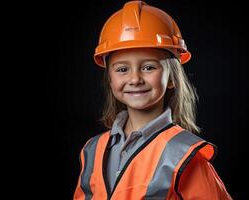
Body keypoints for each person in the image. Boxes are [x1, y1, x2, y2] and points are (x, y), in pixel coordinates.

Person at [74, 1, 232, 199]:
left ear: (172, 77)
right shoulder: (92, 150)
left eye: (149, 67)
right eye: (122, 69)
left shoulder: (184, 155)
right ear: (110, 79)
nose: (135, 79)